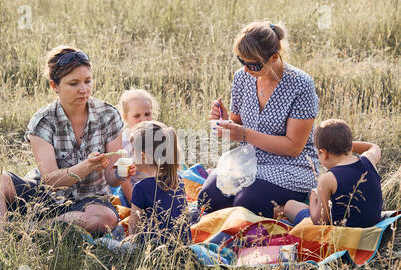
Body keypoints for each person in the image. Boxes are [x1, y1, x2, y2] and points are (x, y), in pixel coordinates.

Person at [0, 46, 135, 236]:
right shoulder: (43, 121)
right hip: (44, 197)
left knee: (105, 218)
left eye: (88, 81)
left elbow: (112, 179)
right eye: (73, 83)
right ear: (55, 86)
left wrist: (122, 172)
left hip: (90, 200)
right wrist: (86, 166)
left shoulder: (108, 115)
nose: (83, 90)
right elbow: (51, 181)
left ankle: (27, 229)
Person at [198, 21, 320, 218]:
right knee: (209, 198)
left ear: (274, 57)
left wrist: (244, 133)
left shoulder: (300, 85)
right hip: (250, 158)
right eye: (241, 61)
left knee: (247, 203)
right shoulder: (243, 78)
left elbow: (293, 147)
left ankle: (279, 215)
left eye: (252, 64)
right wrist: (225, 121)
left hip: (292, 165)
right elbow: (238, 124)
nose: (246, 69)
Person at [283, 119, 383, 227]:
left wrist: (313, 199)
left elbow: (320, 221)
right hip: (371, 229)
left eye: (318, 154)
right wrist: (343, 144)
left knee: (290, 206)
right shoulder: (369, 160)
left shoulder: (328, 179)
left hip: (344, 234)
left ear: (323, 153)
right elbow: (374, 147)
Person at [127, 120, 191, 244]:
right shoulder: (178, 180)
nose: (131, 156)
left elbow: (133, 226)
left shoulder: (141, 188)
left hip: (153, 249)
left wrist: (130, 242)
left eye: (132, 152)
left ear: (143, 156)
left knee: (106, 241)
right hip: (182, 247)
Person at [112, 89, 159, 206]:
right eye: (137, 116)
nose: (143, 119)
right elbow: (125, 181)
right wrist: (135, 204)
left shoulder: (157, 135)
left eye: (147, 114)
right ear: (125, 117)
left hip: (155, 186)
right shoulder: (122, 142)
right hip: (133, 191)